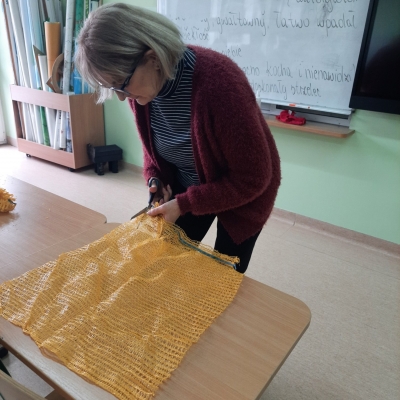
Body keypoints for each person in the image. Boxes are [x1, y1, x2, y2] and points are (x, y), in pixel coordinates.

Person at [75, 3, 281, 273]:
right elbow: (154, 151)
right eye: (112, 88)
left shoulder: (221, 85)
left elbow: (252, 178)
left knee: (223, 274)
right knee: (167, 262)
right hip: (189, 185)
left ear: (152, 58)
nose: (122, 97)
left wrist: (185, 204)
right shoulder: (141, 90)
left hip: (241, 191)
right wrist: (156, 179)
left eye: (121, 84)